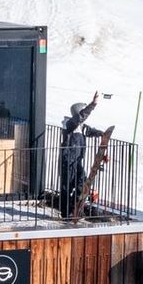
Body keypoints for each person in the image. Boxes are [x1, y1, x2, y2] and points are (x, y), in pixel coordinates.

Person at [57, 93, 103, 221]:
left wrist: (102, 134)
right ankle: (66, 213)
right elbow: (81, 117)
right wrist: (92, 104)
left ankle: (74, 205)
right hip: (68, 161)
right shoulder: (70, 124)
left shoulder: (81, 127)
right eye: (82, 113)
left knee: (82, 183)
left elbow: (90, 131)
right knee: (67, 186)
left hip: (77, 161)